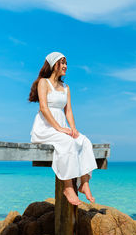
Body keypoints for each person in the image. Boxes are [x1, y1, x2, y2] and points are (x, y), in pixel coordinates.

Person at [29, 52, 97, 205]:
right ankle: (67, 187)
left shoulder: (66, 87)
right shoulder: (43, 83)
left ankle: (84, 183)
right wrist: (59, 127)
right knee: (67, 143)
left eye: (66, 63)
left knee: (84, 141)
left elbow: (68, 111)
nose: (65, 66)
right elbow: (43, 108)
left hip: (61, 127)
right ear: (54, 65)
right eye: (62, 63)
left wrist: (73, 128)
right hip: (45, 128)